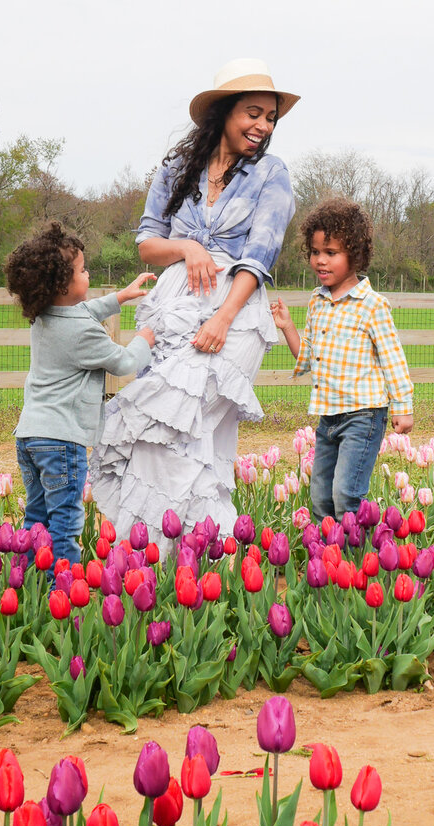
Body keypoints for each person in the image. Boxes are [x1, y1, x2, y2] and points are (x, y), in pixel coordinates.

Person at [90, 58, 298, 541]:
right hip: (173, 309)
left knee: (181, 426)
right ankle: (190, 558)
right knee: (166, 437)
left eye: (270, 117)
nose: (263, 126)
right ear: (223, 112)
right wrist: (188, 246)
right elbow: (147, 242)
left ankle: (169, 553)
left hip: (236, 315)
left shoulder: (272, 174)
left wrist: (223, 318)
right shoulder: (177, 170)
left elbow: (260, 254)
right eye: (253, 113)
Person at [5, 221, 156, 564]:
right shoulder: (82, 334)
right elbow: (123, 362)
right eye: (83, 270)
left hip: (29, 436)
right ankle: (63, 589)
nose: (88, 273)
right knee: (65, 524)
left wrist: (121, 297)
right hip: (61, 441)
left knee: (37, 519)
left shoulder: (43, 316)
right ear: (62, 283)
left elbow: (83, 310)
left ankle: (29, 582)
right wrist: (144, 340)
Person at [271, 198, 413, 523]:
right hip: (328, 418)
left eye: (331, 253)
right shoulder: (316, 302)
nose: (320, 261)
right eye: (315, 251)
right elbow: (307, 358)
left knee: (345, 494)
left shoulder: (372, 305)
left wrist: (403, 407)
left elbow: (394, 360)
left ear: (355, 254)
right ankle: (328, 560)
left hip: (363, 416)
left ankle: (356, 561)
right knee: (320, 495)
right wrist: (288, 327)